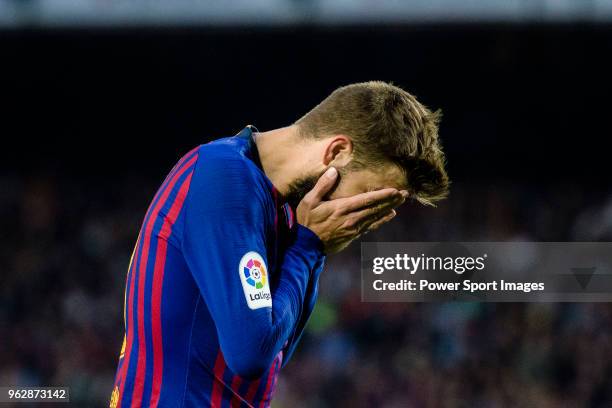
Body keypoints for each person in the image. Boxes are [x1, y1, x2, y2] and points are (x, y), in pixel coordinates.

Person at [109, 81, 449, 408]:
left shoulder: (281, 211)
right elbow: (251, 354)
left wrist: (314, 253)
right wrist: (308, 249)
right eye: (366, 196)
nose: (358, 216)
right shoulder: (224, 179)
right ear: (337, 151)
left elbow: (274, 354)